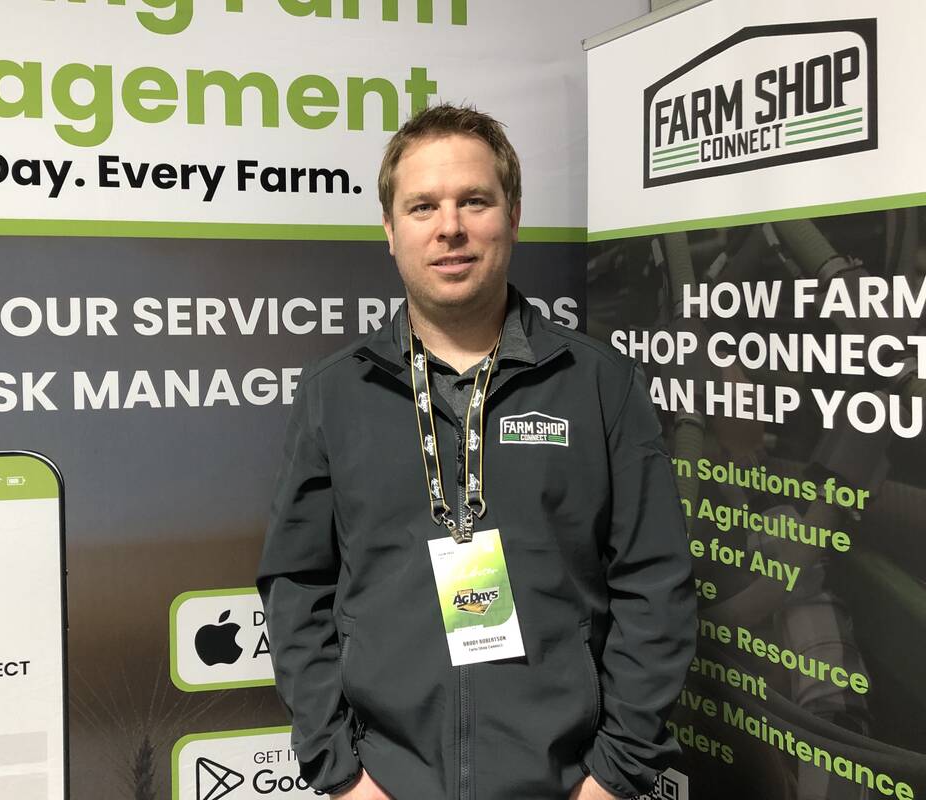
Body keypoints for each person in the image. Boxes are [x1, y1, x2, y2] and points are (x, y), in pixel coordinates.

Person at [257, 104, 696, 800]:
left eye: (474, 201)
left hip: (567, 783)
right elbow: (296, 587)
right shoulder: (333, 395)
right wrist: (340, 772)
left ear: (513, 217)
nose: (450, 226)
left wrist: (614, 774)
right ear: (390, 230)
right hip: (386, 784)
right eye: (423, 205)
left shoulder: (600, 385)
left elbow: (656, 584)